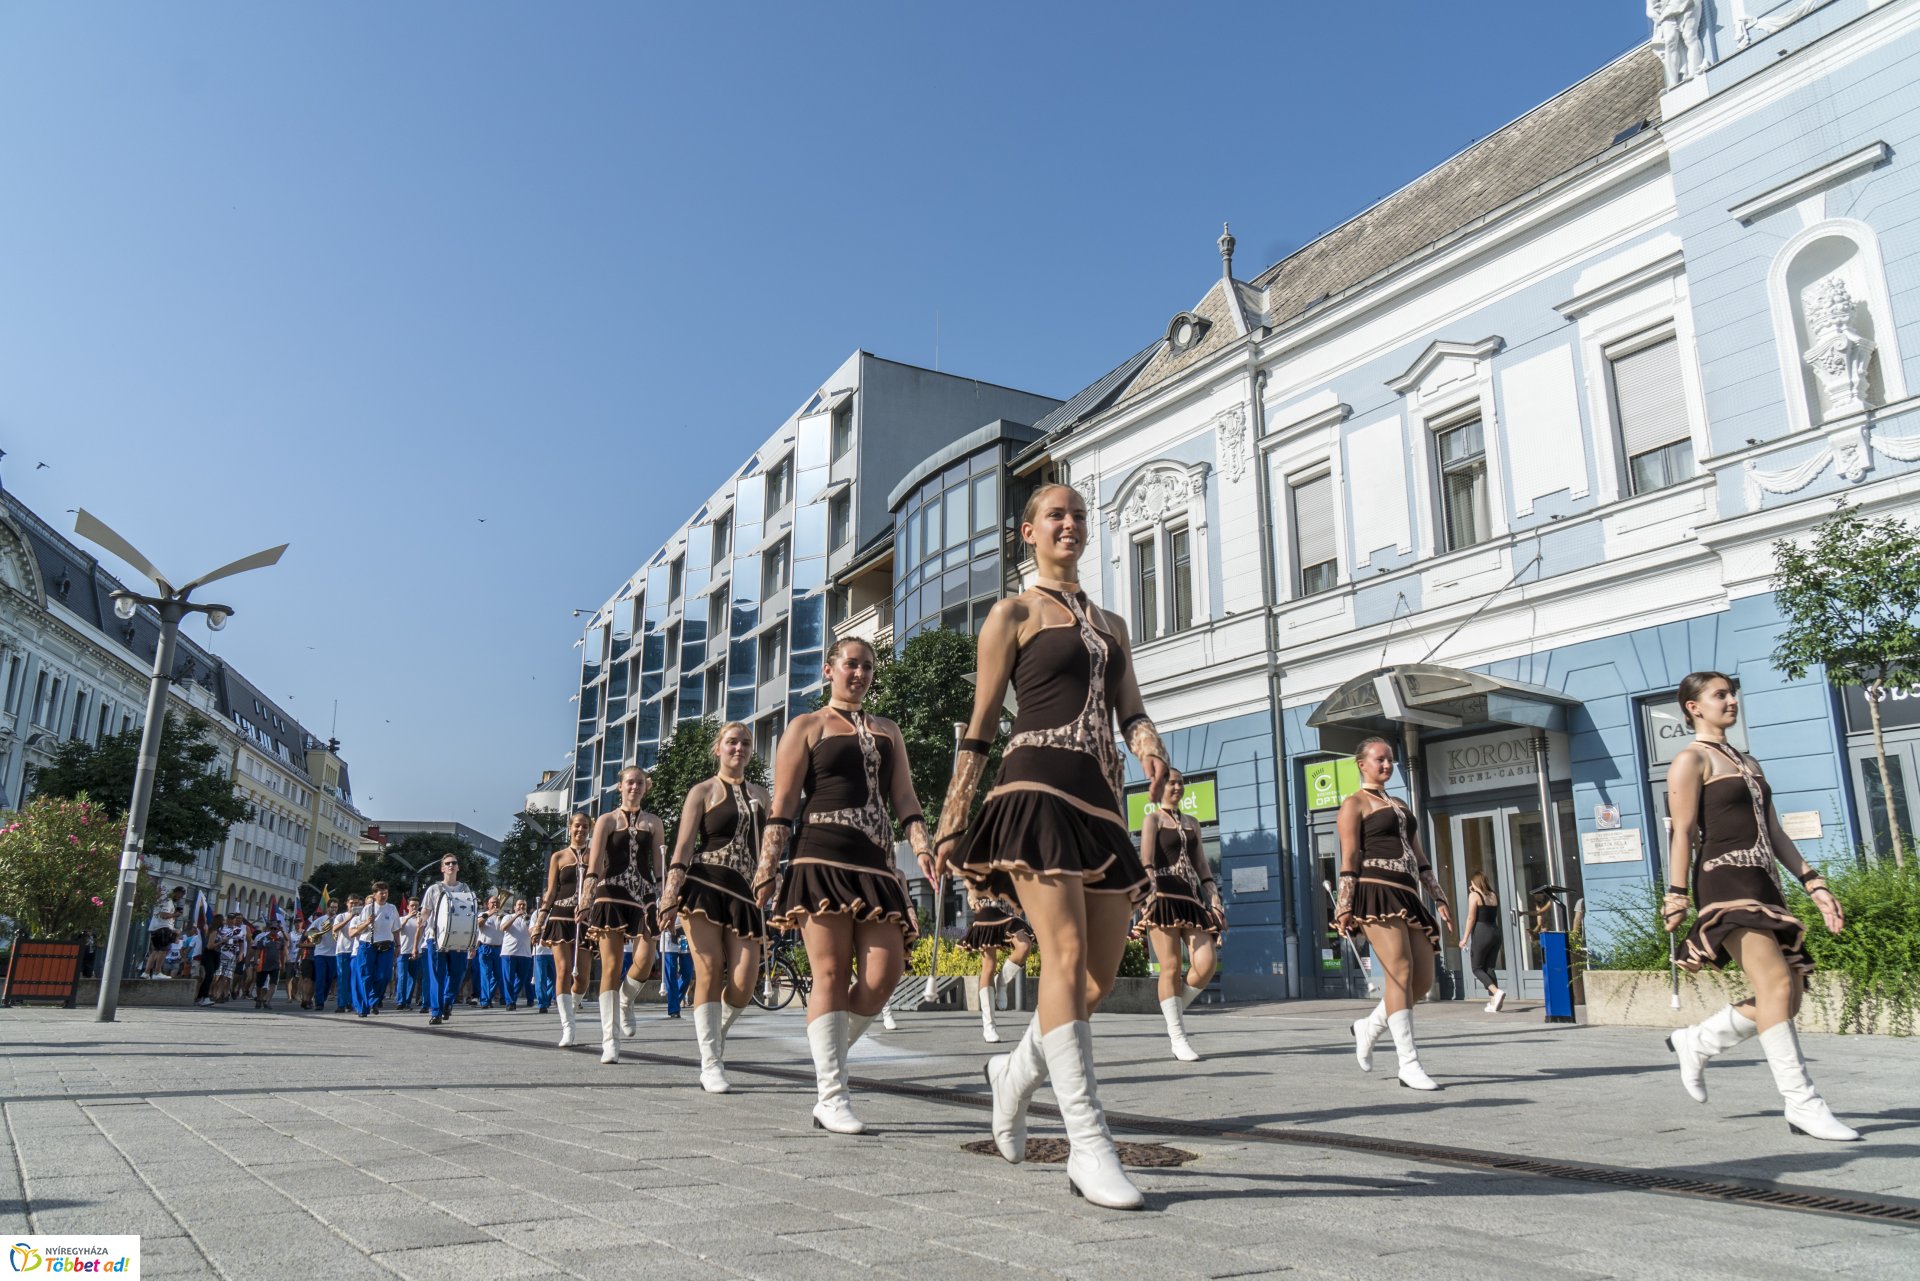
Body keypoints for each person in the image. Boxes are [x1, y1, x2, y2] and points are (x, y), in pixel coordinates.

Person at [934, 482, 1170, 1211]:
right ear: (1027, 533)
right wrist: (953, 813)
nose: (1068, 524)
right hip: (1034, 784)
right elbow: (980, 723)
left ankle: (1011, 1071)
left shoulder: (1113, 623)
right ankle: (1087, 1144)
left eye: (1078, 516)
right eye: (1054, 516)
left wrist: (1151, 746)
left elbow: (1129, 707)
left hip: (1100, 798)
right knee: (1061, 956)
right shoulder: (1012, 613)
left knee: (1093, 981)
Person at [1663, 672, 1857, 1141]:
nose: (1731, 701)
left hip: (1764, 880)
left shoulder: (1748, 761)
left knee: (1790, 992)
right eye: (1720, 695)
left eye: (1732, 694)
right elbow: (1683, 832)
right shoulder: (1691, 760)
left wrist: (1815, 884)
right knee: (1773, 984)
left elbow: (1775, 833)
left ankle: (1699, 1040)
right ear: (1694, 707)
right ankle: (1803, 1104)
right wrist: (1676, 894)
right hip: (1723, 878)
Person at [760, 636, 927, 1135]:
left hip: (876, 864)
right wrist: (767, 869)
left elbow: (905, 796)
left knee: (884, 975)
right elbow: (783, 804)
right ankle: (832, 1094)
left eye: (867, 667)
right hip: (821, 854)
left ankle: (826, 1055)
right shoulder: (806, 726)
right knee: (829, 973)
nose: (859, 673)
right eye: (850, 664)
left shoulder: (888, 730)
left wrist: (922, 846)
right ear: (829, 669)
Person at [1335, 737, 1454, 1091]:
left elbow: (1419, 856)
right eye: (1379, 759)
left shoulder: (1400, 803)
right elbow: (1349, 857)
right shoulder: (1354, 803)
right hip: (1374, 890)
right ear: (1362, 764)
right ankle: (1409, 1064)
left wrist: (1440, 897)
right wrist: (1345, 905)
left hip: (1408, 893)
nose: (1386, 765)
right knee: (1399, 972)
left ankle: (1368, 1027)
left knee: (1421, 981)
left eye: (1389, 760)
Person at [658, 721, 769, 1093]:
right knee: (710, 968)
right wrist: (670, 897)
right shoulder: (702, 791)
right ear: (717, 749)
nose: (739, 748)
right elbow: (684, 847)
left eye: (746, 743)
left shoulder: (761, 796)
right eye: (732, 742)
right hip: (704, 885)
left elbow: (770, 851)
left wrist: (774, 884)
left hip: (744, 893)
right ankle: (711, 1062)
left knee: (742, 982)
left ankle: (713, 1034)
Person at [1134, 773, 1222, 1062]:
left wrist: (1214, 898)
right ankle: (1178, 1036)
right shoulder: (1153, 820)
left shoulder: (1192, 823)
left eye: (1180, 782)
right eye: (1171, 782)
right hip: (1162, 896)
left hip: (1191, 898)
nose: (1177, 787)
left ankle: (1172, 1008)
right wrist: (1148, 896)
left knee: (1206, 962)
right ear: (1159, 787)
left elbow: (1202, 865)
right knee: (1170, 966)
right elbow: (1146, 860)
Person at [585, 767, 666, 1063]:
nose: (635, 787)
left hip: (644, 894)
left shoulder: (654, 822)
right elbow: (594, 864)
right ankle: (610, 1040)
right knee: (611, 965)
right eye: (629, 782)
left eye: (640, 783)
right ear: (619, 786)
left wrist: (665, 898)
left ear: (646, 787)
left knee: (645, 961)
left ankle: (626, 999)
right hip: (611, 892)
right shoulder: (606, 821)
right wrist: (586, 900)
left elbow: (659, 867)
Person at [538, 812, 594, 1046]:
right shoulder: (559, 856)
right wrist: (540, 921)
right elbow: (551, 890)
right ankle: (567, 1026)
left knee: (582, 977)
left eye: (584, 827)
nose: (580, 830)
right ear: (569, 828)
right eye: (577, 826)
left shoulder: (595, 854)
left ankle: (572, 1005)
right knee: (562, 970)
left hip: (586, 918)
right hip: (561, 916)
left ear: (590, 830)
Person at [958, 892, 1033, 1044]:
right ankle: (989, 1025)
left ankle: (1002, 982)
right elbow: (971, 880)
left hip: (1007, 907)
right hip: (986, 906)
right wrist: (972, 898)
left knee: (1024, 946)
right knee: (989, 965)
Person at [414, 855, 475, 1027]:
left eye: (454, 863)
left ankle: (447, 1000)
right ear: (442, 868)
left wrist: (473, 939)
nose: (451, 866)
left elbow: (471, 914)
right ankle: (436, 1012)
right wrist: (421, 920)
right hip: (436, 938)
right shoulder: (434, 889)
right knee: (436, 977)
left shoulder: (465, 889)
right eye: (447, 864)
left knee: (458, 973)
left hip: (459, 938)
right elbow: (425, 912)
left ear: (458, 867)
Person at [349, 883, 401, 1017]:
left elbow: (395, 929)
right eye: (381, 893)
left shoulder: (392, 908)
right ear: (374, 894)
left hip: (386, 946)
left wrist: (398, 945)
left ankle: (373, 1000)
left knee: (384, 976)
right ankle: (363, 1008)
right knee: (366, 977)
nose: (384, 895)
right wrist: (367, 922)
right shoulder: (367, 908)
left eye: (386, 892)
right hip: (368, 945)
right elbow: (357, 930)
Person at [1458, 872, 1505, 1013]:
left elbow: (1471, 918)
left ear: (1475, 883)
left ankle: (1496, 993)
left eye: (1471, 883)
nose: (1470, 886)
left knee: (1477, 968)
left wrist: (1464, 938)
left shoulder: (1474, 896)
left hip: (1482, 932)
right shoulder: (1493, 895)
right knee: (1489, 968)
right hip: (1495, 932)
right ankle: (1494, 1003)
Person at [500, 898, 533, 1009]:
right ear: (515, 907)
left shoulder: (529, 919)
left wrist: (528, 922)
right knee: (509, 978)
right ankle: (510, 1002)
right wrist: (516, 916)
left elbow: (532, 933)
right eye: (519, 905)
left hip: (525, 953)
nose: (521, 907)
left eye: (523, 905)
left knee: (522, 979)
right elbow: (503, 928)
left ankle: (512, 997)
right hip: (509, 952)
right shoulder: (508, 917)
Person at [147, 887, 186, 978]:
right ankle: (157, 972)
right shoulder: (168, 902)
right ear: (176, 893)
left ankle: (146, 972)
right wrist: (175, 914)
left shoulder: (164, 901)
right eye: (180, 895)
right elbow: (163, 916)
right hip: (162, 929)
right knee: (163, 950)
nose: (180, 897)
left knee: (155, 951)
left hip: (156, 928)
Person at [332, 897, 360, 1013]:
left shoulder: (361, 916)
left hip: (355, 951)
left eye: (356, 903)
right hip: (343, 950)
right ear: (347, 903)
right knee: (342, 979)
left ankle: (351, 1003)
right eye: (351, 903)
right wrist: (350, 917)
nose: (353, 905)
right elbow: (335, 929)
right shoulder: (341, 916)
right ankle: (341, 1004)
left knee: (354, 979)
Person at [252, 918, 286, 1010]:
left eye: (275, 929)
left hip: (275, 965)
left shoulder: (281, 940)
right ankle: (259, 998)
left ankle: (267, 1001)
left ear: (278, 930)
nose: (273, 930)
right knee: (260, 984)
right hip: (263, 964)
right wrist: (255, 961)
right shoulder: (264, 939)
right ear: (269, 929)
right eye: (272, 929)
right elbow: (257, 951)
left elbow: (282, 953)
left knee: (273, 984)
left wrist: (283, 964)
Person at [394, 903, 422, 1010]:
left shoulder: (420, 919)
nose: (414, 908)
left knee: (413, 978)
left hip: (416, 951)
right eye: (412, 905)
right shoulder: (401, 919)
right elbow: (397, 930)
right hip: (403, 951)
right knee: (402, 977)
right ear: (408, 907)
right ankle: (400, 1001)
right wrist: (408, 918)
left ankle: (407, 1001)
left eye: (416, 906)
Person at [659, 923, 691, 1018]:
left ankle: (674, 1001)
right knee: (670, 976)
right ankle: (674, 1009)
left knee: (687, 974)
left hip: (684, 937)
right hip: (668, 937)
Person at [195, 915, 221, 1006]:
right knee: (209, 977)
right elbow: (210, 946)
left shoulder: (211, 930)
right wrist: (222, 941)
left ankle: (200, 997)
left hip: (212, 955)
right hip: (210, 954)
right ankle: (205, 997)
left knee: (208, 977)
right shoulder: (214, 931)